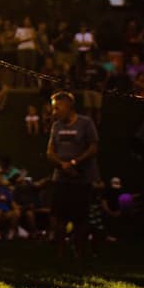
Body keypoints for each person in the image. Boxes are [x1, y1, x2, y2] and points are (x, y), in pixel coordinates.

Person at [46, 90, 99, 255]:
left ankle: (80, 250)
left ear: (69, 106)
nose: (54, 112)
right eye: (54, 108)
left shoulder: (85, 123)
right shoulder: (56, 126)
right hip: (61, 178)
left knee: (80, 217)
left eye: (57, 108)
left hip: (81, 178)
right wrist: (62, 165)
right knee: (58, 216)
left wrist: (75, 163)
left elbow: (93, 147)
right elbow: (50, 151)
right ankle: (60, 251)